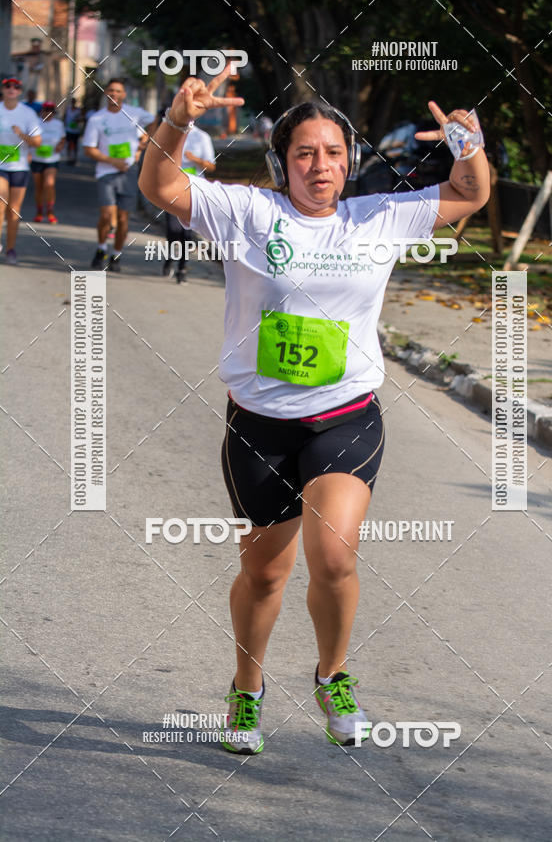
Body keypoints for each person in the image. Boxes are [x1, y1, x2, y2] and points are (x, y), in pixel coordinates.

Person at [139, 68, 490, 755]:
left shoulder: (379, 217)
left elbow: (469, 194)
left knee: (333, 556)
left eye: (332, 153)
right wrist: (178, 120)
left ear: (350, 161)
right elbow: (161, 187)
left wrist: (466, 144)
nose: (319, 166)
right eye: (304, 153)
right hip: (260, 424)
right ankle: (247, 688)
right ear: (282, 163)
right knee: (264, 571)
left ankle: (333, 675)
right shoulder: (247, 213)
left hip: (344, 417)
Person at [82, 78, 155, 271]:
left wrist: (145, 141)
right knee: (106, 215)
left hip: (129, 172)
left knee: (123, 218)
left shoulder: (134, 113)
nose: (114, 94)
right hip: (106, 172)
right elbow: (89, 149)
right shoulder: (97, 119)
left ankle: (116, 254)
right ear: (106, 93)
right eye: (111, 90)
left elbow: (155, 121)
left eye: (118, 91)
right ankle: (100, 249)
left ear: (124, 95)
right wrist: (112, 161)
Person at [161, 119, 216, 282]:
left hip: (194, 191)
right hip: (172, 188)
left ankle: (182, 268)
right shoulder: (168, 134)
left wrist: (195, 159)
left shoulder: (202, 137)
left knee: (187, 232)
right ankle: (170, 256)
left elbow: (211, 166)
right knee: (173, 229)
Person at [0, 77, 42, 264]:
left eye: (15, 87)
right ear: (2, 89)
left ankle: (10, 249)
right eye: (7, 86)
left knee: (13, 211)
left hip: (19, 167)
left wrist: (21, 134)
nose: (11, 89)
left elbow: (37, 143)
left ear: (20, 91)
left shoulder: (27, 114)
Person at [31, 102, 65, 223]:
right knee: (39, 187)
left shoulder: (58, 124)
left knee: (49, 184)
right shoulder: (35, 123)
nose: (48, 113)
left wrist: (60, 146)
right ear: (42, 111)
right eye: (46, 110)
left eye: (51, 110)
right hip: (36, 159)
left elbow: (62, 138)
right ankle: (39, 211)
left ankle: (50, 211)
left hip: (52, 159)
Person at [64, 98, 83, 165]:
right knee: (69, 144)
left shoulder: (78, 110)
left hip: (75, 130)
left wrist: (77, 120)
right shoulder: (68, 109)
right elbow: (64, 117)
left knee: (75, 144)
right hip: (68, 129)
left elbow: (81, 119)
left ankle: (74, 158)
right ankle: (69, 157)